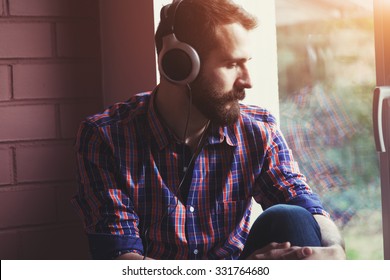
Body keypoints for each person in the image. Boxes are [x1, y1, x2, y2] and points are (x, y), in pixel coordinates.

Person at [72, 0, 346, 260]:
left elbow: (305, 203)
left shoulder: (257, 130)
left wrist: (334, 250)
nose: (248, 81)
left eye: (246, 62)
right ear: (179, 65)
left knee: (293, 218)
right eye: (231, 64)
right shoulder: (105, 137)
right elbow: (120, 261)